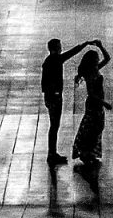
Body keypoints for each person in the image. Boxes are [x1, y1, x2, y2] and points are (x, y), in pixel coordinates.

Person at [41, 36, 103, 165]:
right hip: (54, 98)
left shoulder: (52, 60)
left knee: (54, 126)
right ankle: (51, 154)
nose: (61, 48)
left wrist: (85, 44)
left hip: (52, 97)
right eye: (59, 46)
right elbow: (72, 52)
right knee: (54, 125)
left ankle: (52, 153)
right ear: (55, 48)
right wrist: (55, 92)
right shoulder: (54, 60)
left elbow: (72, 52)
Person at [70, 45, 110, 173]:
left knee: (96, 127)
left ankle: (89, 152)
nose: (99, 60)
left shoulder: (95, 69)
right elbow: (91, 94)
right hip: (94, 105)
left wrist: (101, 46)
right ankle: (86, 152)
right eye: (97, 58)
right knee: (94, 127)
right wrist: (104, 103)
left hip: (97, 105)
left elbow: (107, 58)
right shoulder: (90, 74)